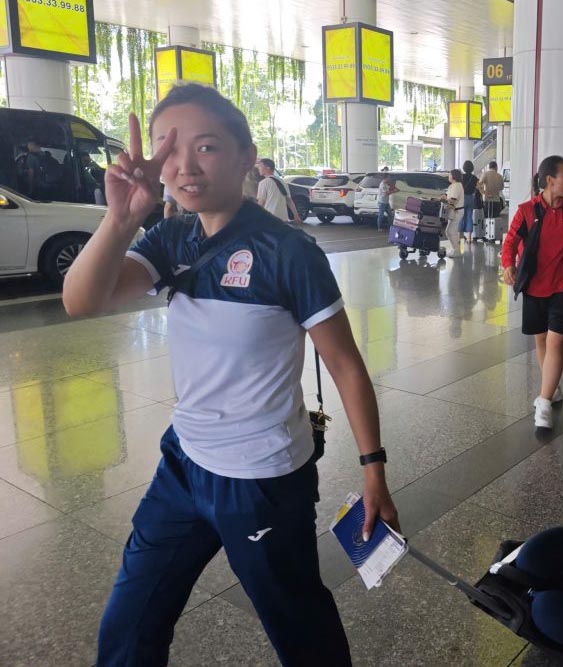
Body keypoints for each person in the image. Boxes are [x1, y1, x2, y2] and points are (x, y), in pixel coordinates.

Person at [62, 84, 398, 666]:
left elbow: (344, 364)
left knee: (299, 627)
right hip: (184, 464)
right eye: (170, 152)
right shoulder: (172, 238)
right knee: (130, 622)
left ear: (247, 156)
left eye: (208, 146)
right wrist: (119, 221)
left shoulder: (288, 252)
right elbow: (81, 301)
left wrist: (374, 471)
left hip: (260, 481)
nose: (186, 167)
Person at [500, 155, 563, 429]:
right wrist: (508, 265)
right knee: (542, 342)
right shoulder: (527, 211)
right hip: (535, 287)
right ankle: (552, 387)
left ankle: (543, 403)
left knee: (556, 342)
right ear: (550, 181)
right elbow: (509, 242)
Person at [256, 158, 302, 224]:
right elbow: (289, 200)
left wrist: (255, 216)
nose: (259, 168)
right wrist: (296, 216)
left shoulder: (264, 183)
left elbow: (261, 202)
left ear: (268, 167)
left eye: (260, 166)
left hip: (269, 219)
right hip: (283, 219)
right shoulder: (282, 182)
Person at [444, 168, 465, 257]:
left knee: (450, 231)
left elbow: (453, 200)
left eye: (450, 174)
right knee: (452, 231)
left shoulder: (457, 185)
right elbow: (448, 196)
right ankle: (455, 249)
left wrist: (445, 201)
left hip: (457, 211)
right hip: (453, 211)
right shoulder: (453, 185)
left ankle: (456, 250)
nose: (449, 176)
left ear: (454, 176)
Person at [461, 160, 479, 245]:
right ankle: (469, 238)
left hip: (463, 198)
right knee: (469, 217)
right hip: (471, 198)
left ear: (464, 168)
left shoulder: (461, 177)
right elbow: (478, 187)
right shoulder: (474, 178)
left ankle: (460, 236)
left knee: (461, 216)